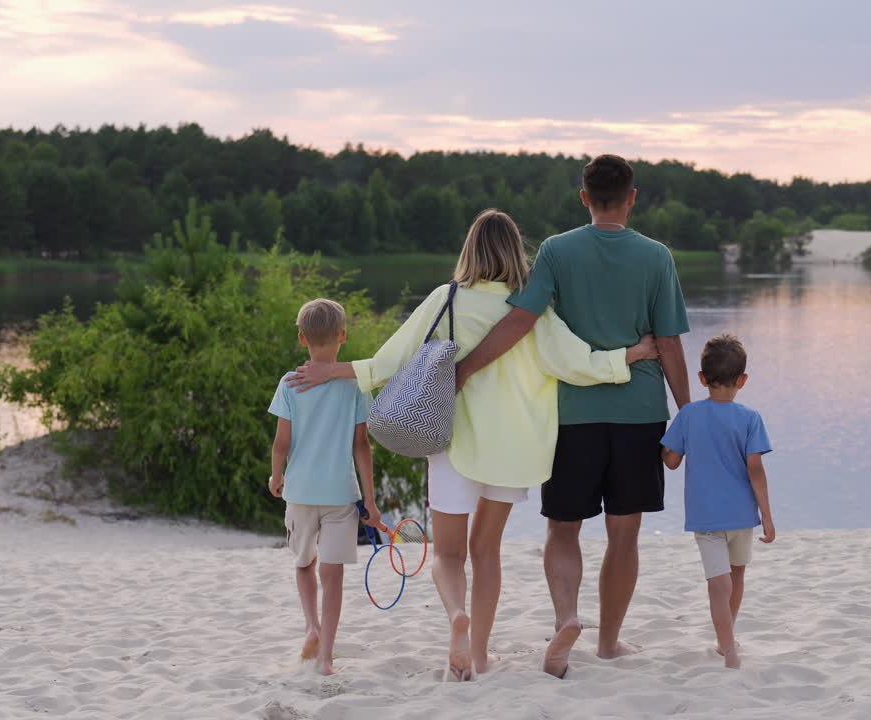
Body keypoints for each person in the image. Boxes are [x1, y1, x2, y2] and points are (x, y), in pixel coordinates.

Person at [286, 209, 657, 680]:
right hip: (513, 449)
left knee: (447, 554)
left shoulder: (447, 299)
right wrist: (631, 355)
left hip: (452, 441)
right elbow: (575, 362)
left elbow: (387, 362)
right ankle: (480, 655)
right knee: (487, 552)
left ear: (469, 250)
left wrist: (331, 370)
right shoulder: (532, 305)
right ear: (514, 253)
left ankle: (456, 618)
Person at [455, 154, 691, 678]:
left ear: (583, 197)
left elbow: (519, 320)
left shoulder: (557, 252)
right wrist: (688, 412)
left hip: (571, 416)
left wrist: (465, 368)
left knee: (563, 528)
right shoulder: (658, 257)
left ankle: (567, 616)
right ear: (633, 196)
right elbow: (669, 342)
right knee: (623, 534)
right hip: (639, 413)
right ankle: (608, 643)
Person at [267, 298, 380, 676]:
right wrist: (372, 500)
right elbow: (361, 446)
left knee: (304, 564)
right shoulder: (354, 385)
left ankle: (310, 627)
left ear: (302, 338)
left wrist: (276, 475)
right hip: (340, 495)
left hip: (300, 492)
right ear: (343, 336)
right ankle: (327, 656)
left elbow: (281, 442)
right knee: (333, 577)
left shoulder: (289, 383)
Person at [660, 334, 774, 669]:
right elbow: (757, 471)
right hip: (742, 516)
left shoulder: (689, 415)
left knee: (718, 582)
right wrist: (767, 516)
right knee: (735, 576)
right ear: (742, 380)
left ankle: (727, 643)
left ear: (701, 379)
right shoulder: (750, 418)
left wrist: (662, 442)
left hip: (707, 517)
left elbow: (671, 461)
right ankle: (728, 640)